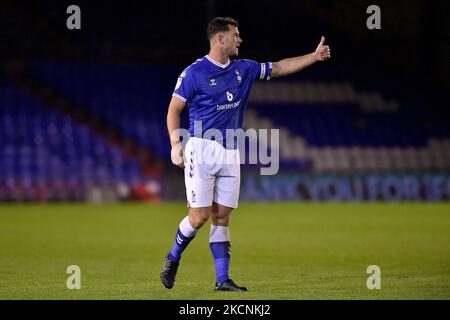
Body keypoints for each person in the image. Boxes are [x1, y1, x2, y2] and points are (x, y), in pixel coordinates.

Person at [161, 16, 331, 291]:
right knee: (199, 218)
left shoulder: (245, 68)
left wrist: (313, 57)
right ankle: (173, 257)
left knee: (222, 217)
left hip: (231, 151)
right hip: (202, 148)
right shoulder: (194, 73)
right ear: (220, 39)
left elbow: (278, 67)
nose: (240, 39)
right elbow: (173, 110)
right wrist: (175, 143)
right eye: (236, 35)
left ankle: (222, 280)